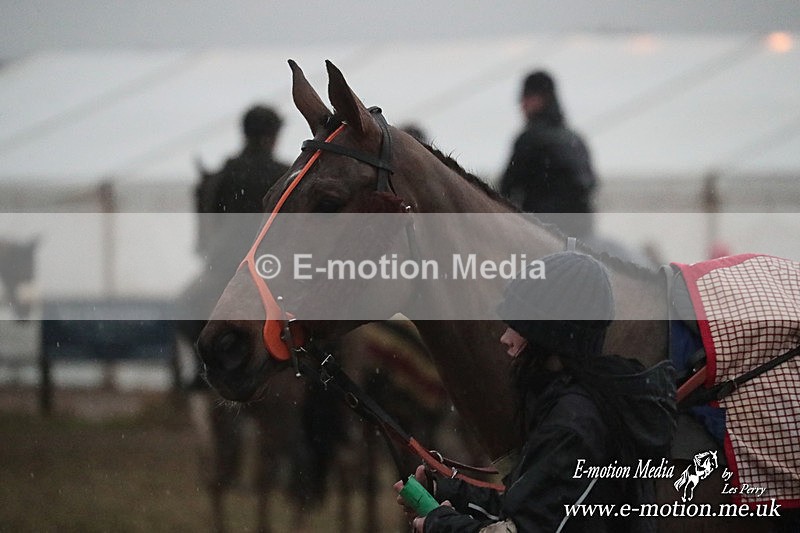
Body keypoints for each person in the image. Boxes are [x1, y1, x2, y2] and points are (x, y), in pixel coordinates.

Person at [394, 252, 677, 533]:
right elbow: (530, 506)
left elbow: (528, 526)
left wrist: (438, 523)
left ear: (548, 335)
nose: (505, 338)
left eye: (518, 326)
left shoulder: (573, 426)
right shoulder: (583, 407)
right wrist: (448, 491)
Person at [498, 71, 597, 238]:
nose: (521, 105)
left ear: (539, 99)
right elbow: (591, 184)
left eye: (525, 98)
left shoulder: (529, 139)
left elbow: (506, 190)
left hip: (542, 233)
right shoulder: (575, 139)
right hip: (582, 234)